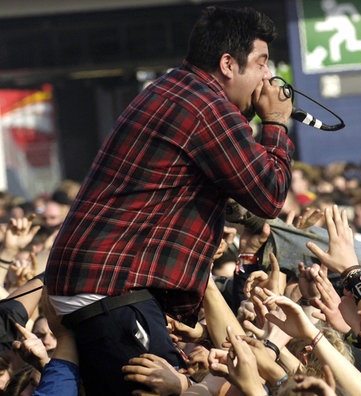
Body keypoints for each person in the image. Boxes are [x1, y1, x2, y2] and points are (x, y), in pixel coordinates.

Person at [43, 5, 294, 395]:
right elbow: (269, 193)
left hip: (99, 284)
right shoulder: (207, 106)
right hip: (111, 287)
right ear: (228, 63)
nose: (267, 75)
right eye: (261, 62)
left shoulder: (177, 89)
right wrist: (276, 122)